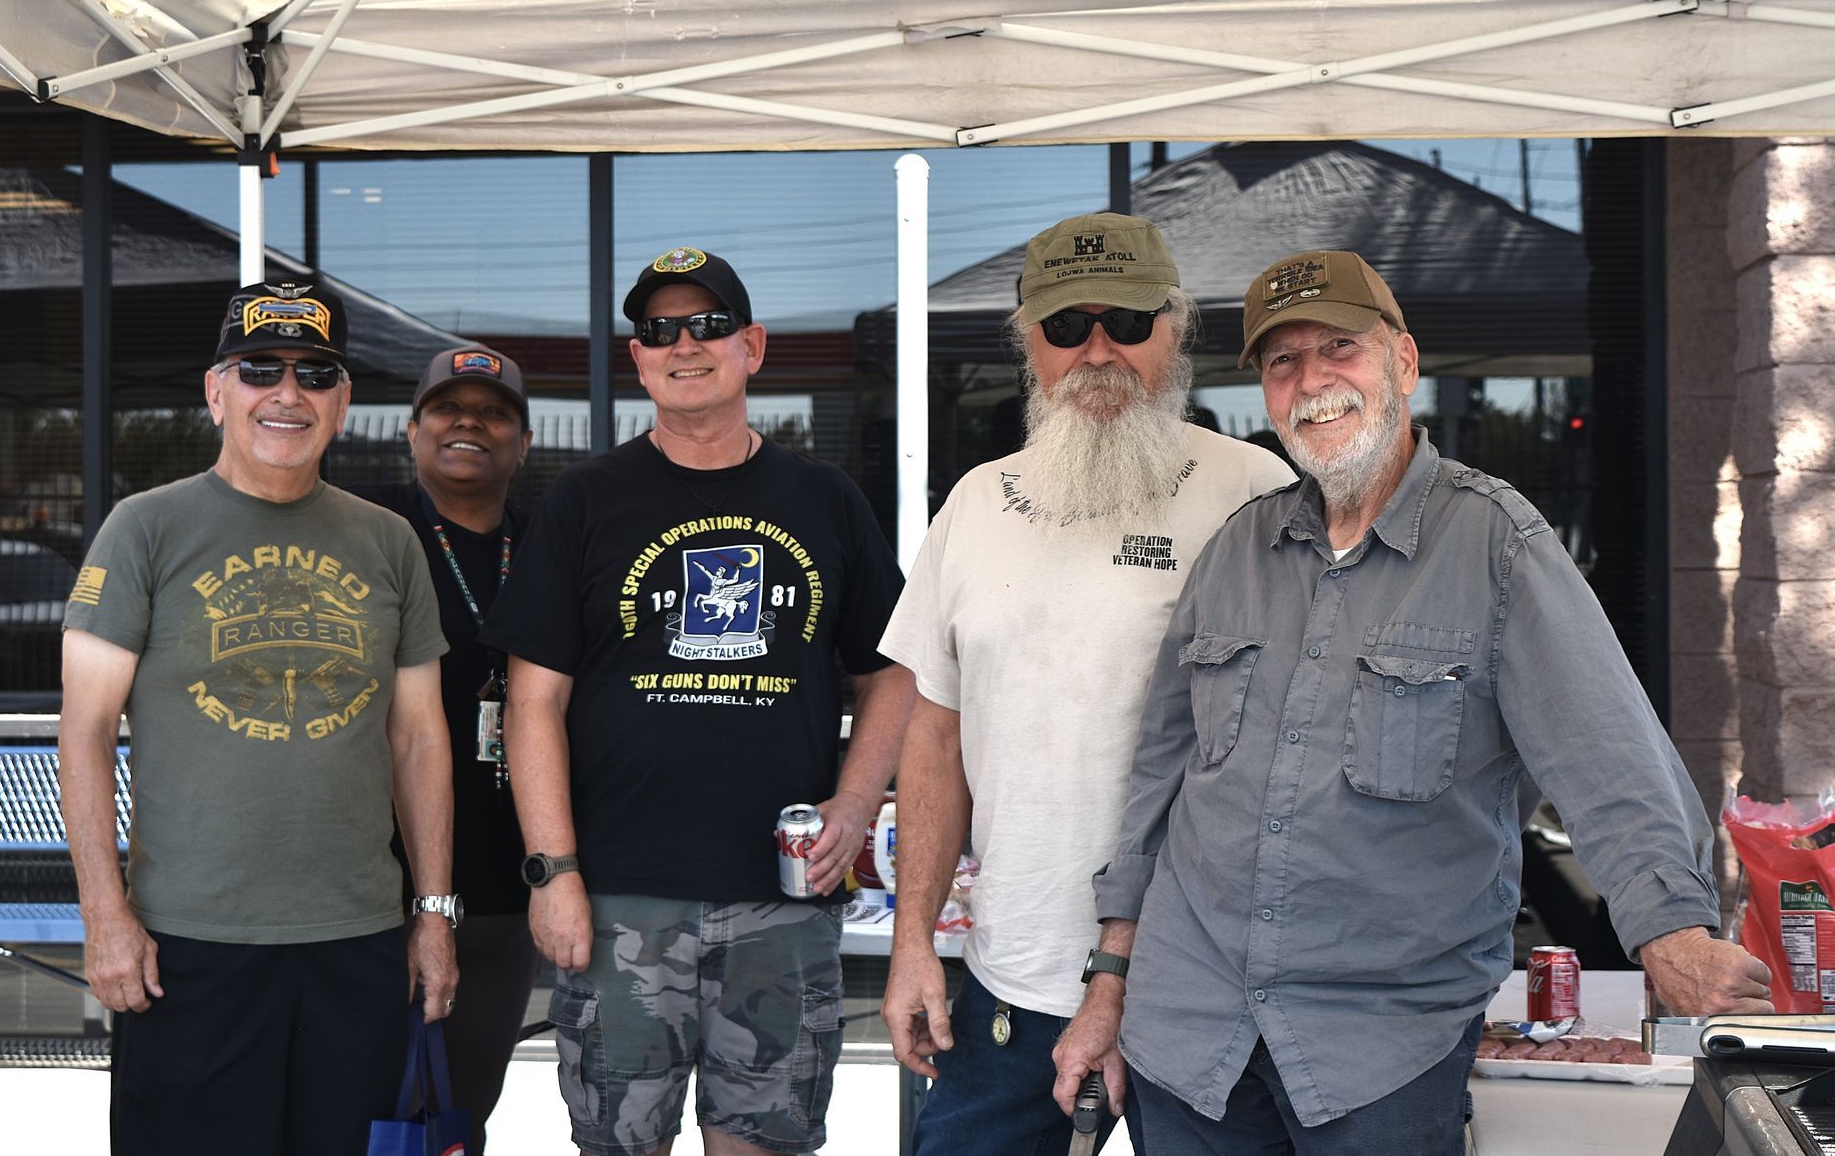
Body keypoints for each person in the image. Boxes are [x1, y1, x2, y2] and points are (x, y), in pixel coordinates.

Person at [1066, 249, 1773, 1154]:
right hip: (1189, 1037)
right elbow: (1156, 789)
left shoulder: (1497, 544)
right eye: (1283, 362)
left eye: (1338, 349)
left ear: (1402, 362)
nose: (1312, 382)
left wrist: (1671, 933)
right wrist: (1110, 982)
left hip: (1379, 1055)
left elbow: (1607, 756)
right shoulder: (1235, 551)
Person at [482, 247, 915, 1156]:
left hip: (783, 903)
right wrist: (552, 872)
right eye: (659, 330)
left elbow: (892, 675)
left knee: (763, 1145)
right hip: (618, 901)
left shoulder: (824, 499)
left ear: (752, 346)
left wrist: (853, 801)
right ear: (637, 358)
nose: (685, 344)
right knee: (616, 1145)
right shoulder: (584, 501)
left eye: (709, 325)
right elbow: (532, 705)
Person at [877, 212, 1294, 1156]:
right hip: (1011, 982)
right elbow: (934, 739)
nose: (1097, 351)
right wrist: (912, 948)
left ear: (1175, 330)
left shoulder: (1254, 493)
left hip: (1202, 990)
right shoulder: (977, 502)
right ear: (1029, 342)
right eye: (1067, 328)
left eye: (1128, 323)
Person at [58, 281, 460, 1156]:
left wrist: (432, 911)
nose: (288, 393)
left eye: (316, 373)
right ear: (216, 391)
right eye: (259, 369)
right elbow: (84, 732)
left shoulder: (390, 541)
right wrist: (105, 915)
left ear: (344, 403)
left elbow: (419, 737)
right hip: (188, 945)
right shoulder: (145, 530)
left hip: (357, 940)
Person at [355, 344, 536, 1155]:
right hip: (374, 887)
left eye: (494, 412)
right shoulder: (366, 528)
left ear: (523, 443)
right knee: (364, 1106)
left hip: (508, 886)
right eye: (448, 409)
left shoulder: (550, 543)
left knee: (460, 1117)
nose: (470, 423)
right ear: (412, 430)